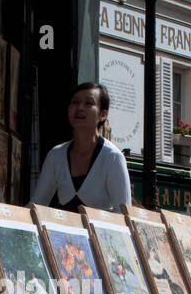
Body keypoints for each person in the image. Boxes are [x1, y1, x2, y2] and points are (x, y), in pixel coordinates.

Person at [31, 83, 131, 212]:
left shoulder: (113, 157)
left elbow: (123, 212)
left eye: (89, 103)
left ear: (103, 115)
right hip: (65, 230)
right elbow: (38, 203)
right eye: (75, 102)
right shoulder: (56, 155)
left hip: (101, 232)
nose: (80, 108)